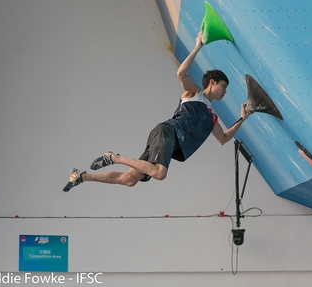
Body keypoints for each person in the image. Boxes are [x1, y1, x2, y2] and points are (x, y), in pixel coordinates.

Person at [63, 32, 251, 192]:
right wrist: (197, 47)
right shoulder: (194, 93)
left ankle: (82, 177)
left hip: (167, 142)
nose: (225, 91)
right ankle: (113, 157)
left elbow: (223, 138)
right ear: (212, 82)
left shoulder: (211, 118)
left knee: (129, 180)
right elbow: (181, 74)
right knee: (160, 173)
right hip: (167, 132)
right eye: (223, 86)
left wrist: (243, 118)